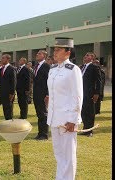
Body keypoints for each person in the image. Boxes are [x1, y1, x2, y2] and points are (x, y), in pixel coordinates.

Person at [46, 37, 83, 180]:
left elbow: (77, 96)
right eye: (54, 49)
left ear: (68, 52)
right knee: (59, 154)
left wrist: (73, 120)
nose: (55, 52)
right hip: (54, 118)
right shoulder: (53, 69)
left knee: (68, 155)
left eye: (58, 50)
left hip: (67, 119)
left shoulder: (73, 70)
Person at [80, 52, 101, 137]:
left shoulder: (94, 67)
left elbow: (98, 81)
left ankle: (90, 131)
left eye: (87, 55)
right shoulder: (82, 67)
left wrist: (97, 93)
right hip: (82, 93)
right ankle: (85, 129)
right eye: (85, 55)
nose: (85, 56)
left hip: (90, 93)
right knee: (83, 111)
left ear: (92, 58)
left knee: (90, 112)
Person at [33, 50, 50, 140]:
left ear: (44, 56)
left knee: (43, 114)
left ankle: (44, 134)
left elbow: (49, 81)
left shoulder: (46, 66)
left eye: (39, 53)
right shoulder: (37, 66)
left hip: (43, 94)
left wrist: (47, 94)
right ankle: (40, 133)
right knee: (39, 114)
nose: (37, 54)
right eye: (37, 53)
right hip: (37, 94)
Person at [0, 54, 16, 120]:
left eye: (3, 58)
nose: (2, 59)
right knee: (5, 107)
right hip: (3, 92)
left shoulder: (11, 68)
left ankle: (9, 122)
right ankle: (7, 120)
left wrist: (12, 93)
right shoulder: (2, 68)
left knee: (9, 108)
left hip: (9, 93)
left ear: (8, 59)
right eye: (2, 58)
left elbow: (13, 82)